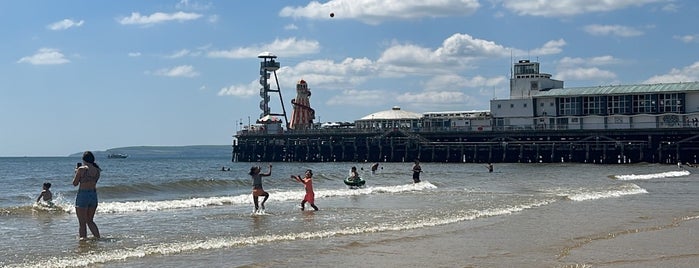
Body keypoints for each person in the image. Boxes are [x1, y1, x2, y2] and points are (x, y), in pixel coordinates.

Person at [72, 151, 102, 240]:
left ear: (84, 159)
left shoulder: (82, 169)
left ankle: (83, 241)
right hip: (93, 195)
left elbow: (75, 183)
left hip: (83, 195)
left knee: (82, 222)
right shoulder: (97, 170)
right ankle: (97, 238)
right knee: (90, 221)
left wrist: (76, 172)